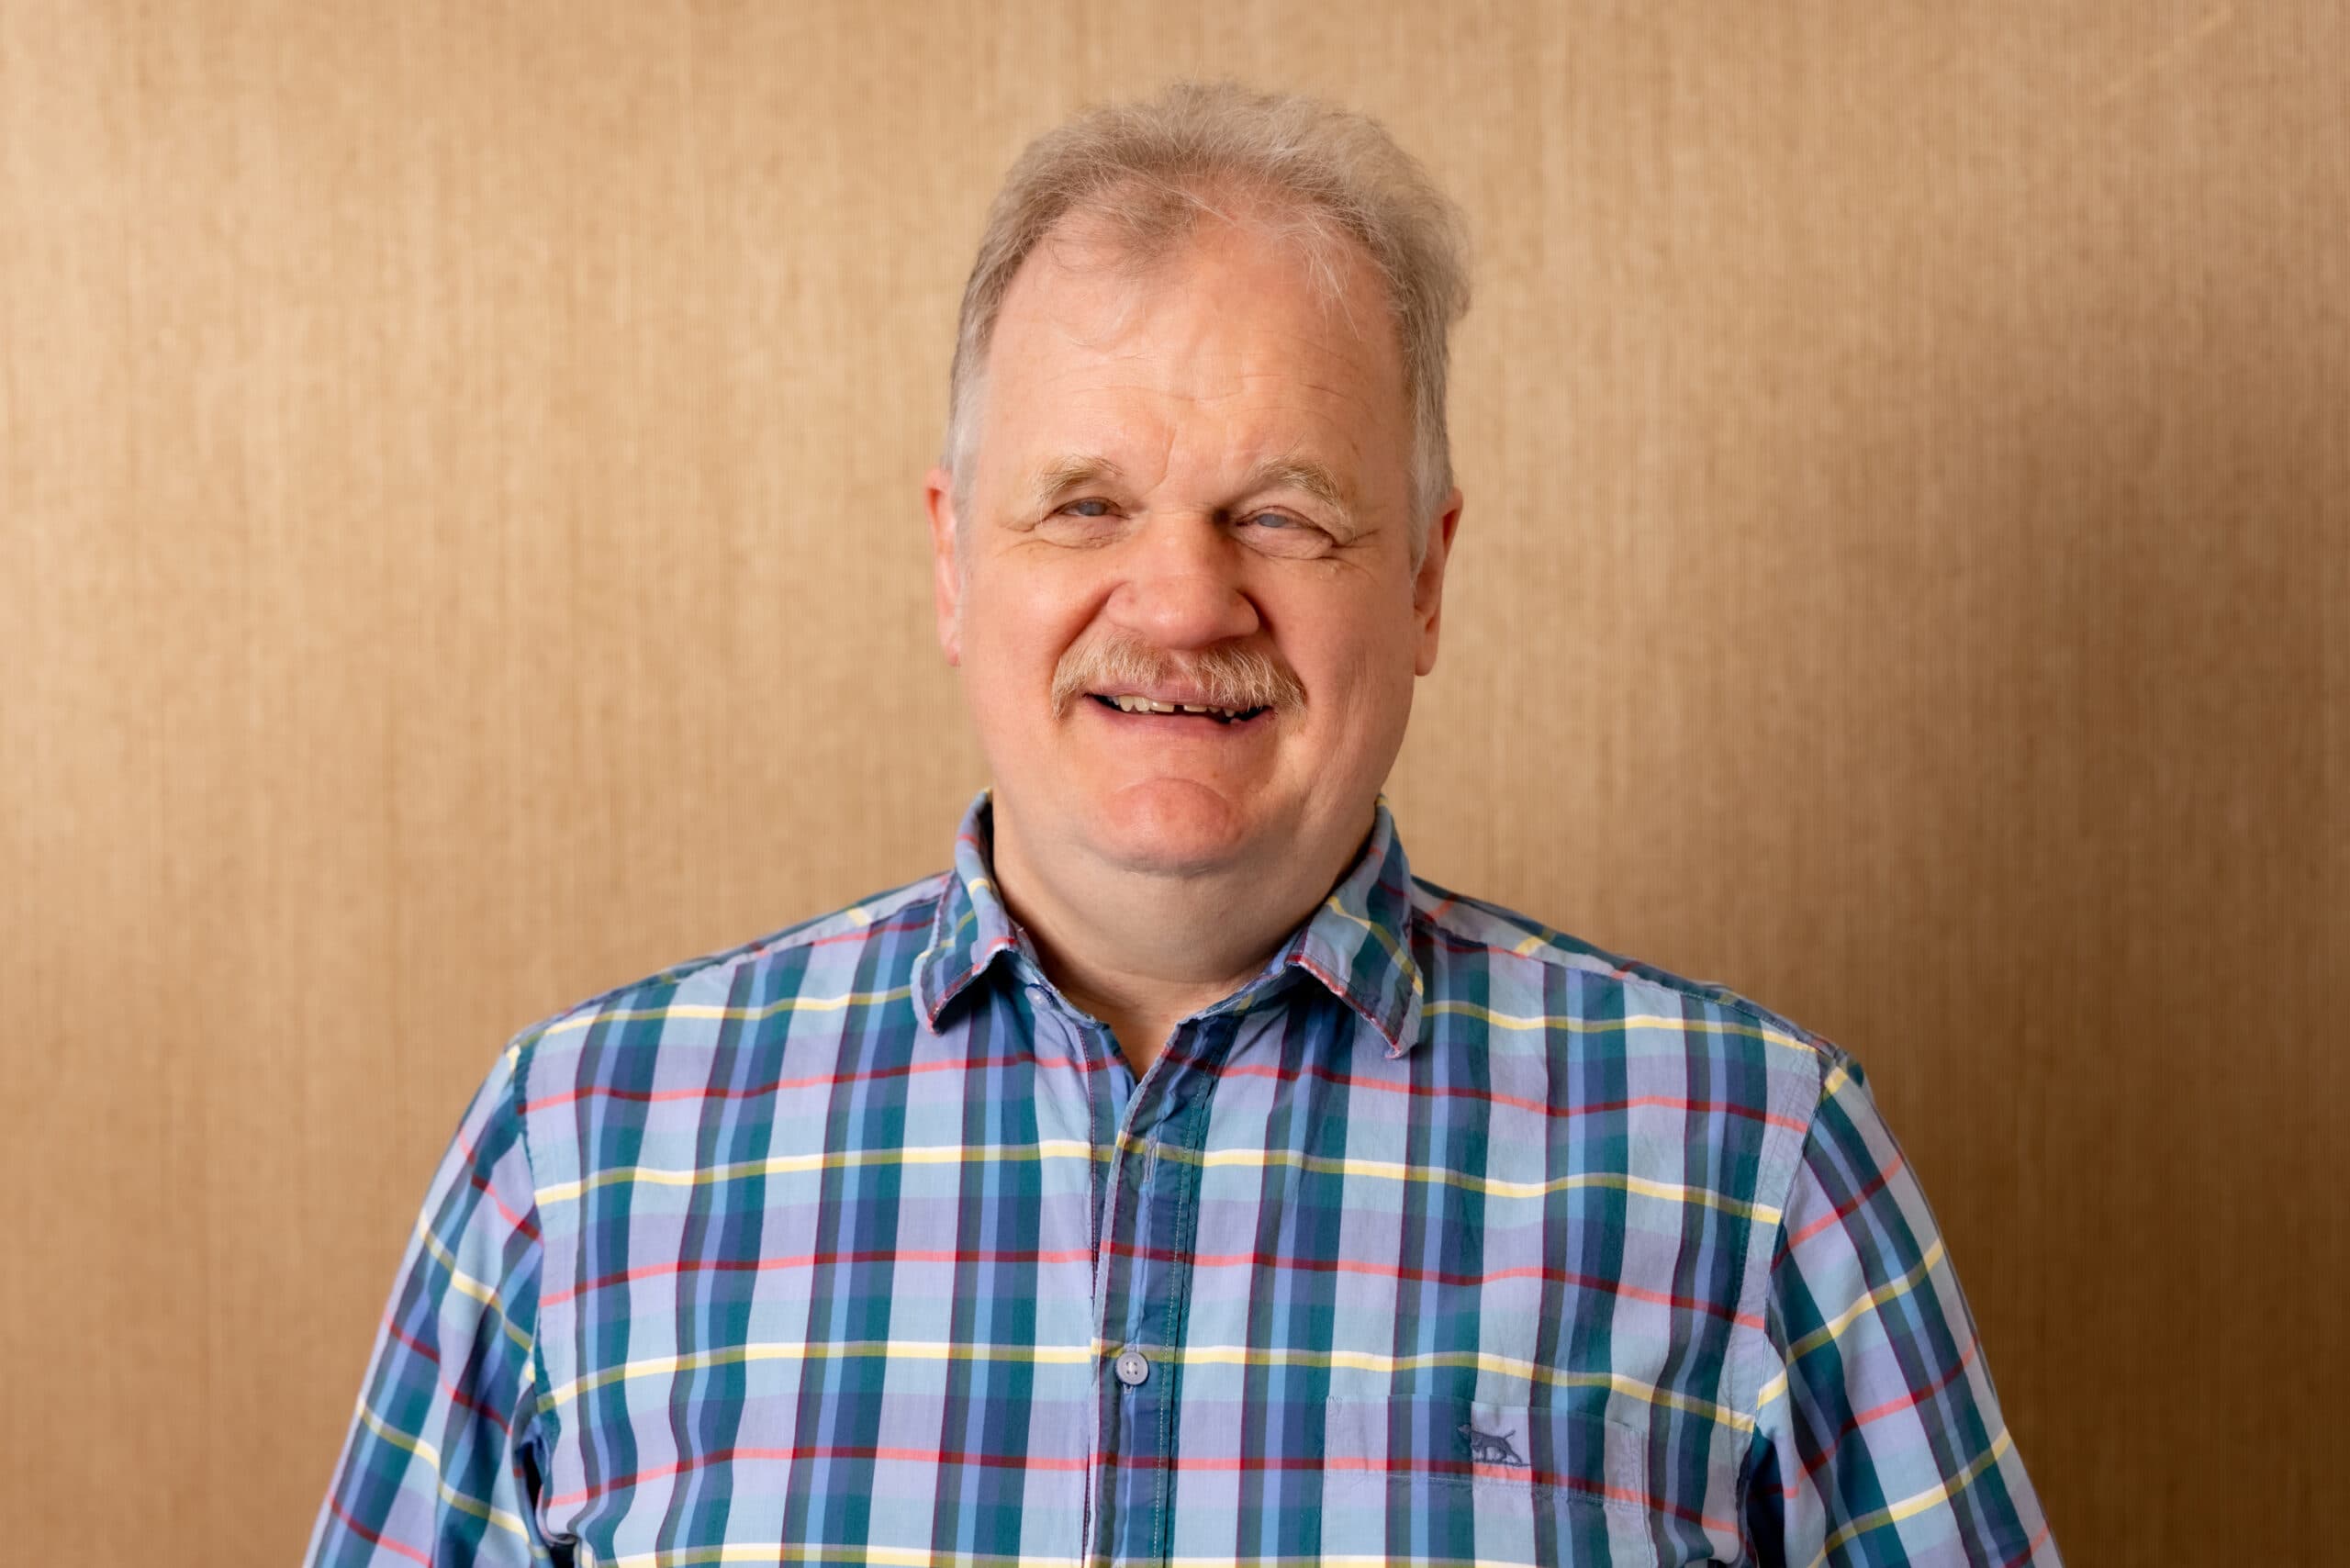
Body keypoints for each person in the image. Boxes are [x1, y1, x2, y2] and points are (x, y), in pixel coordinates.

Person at [308, 81, 2059, 1568]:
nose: (1184, 595)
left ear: (1429, 579)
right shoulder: (579, 1156)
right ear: (950, 559)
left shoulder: (1754, 1167)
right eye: (1085, 504)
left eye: (1284, 515)